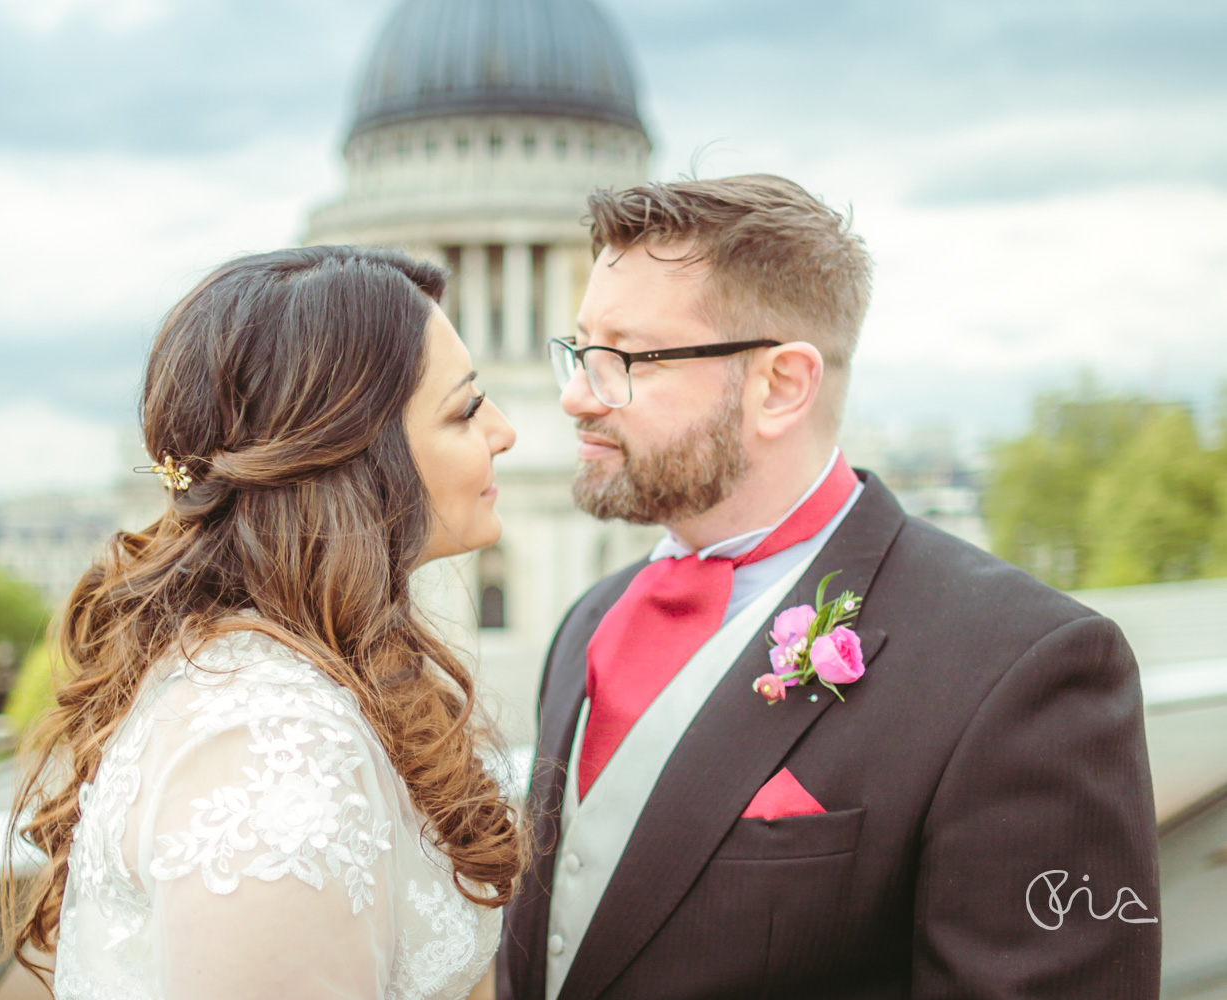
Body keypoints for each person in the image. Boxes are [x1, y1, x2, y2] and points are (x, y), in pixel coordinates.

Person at [497, 176, 1161, 1000]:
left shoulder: (1025, 668)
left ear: (780, 386)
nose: (574, 397)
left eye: (623, 360)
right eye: (580, 350)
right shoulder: (589, 623)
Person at [1, 245, 521, 999]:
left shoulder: (297, 672)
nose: (505, 431)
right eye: (467, 408)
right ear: (348, 455)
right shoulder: (274, 746)